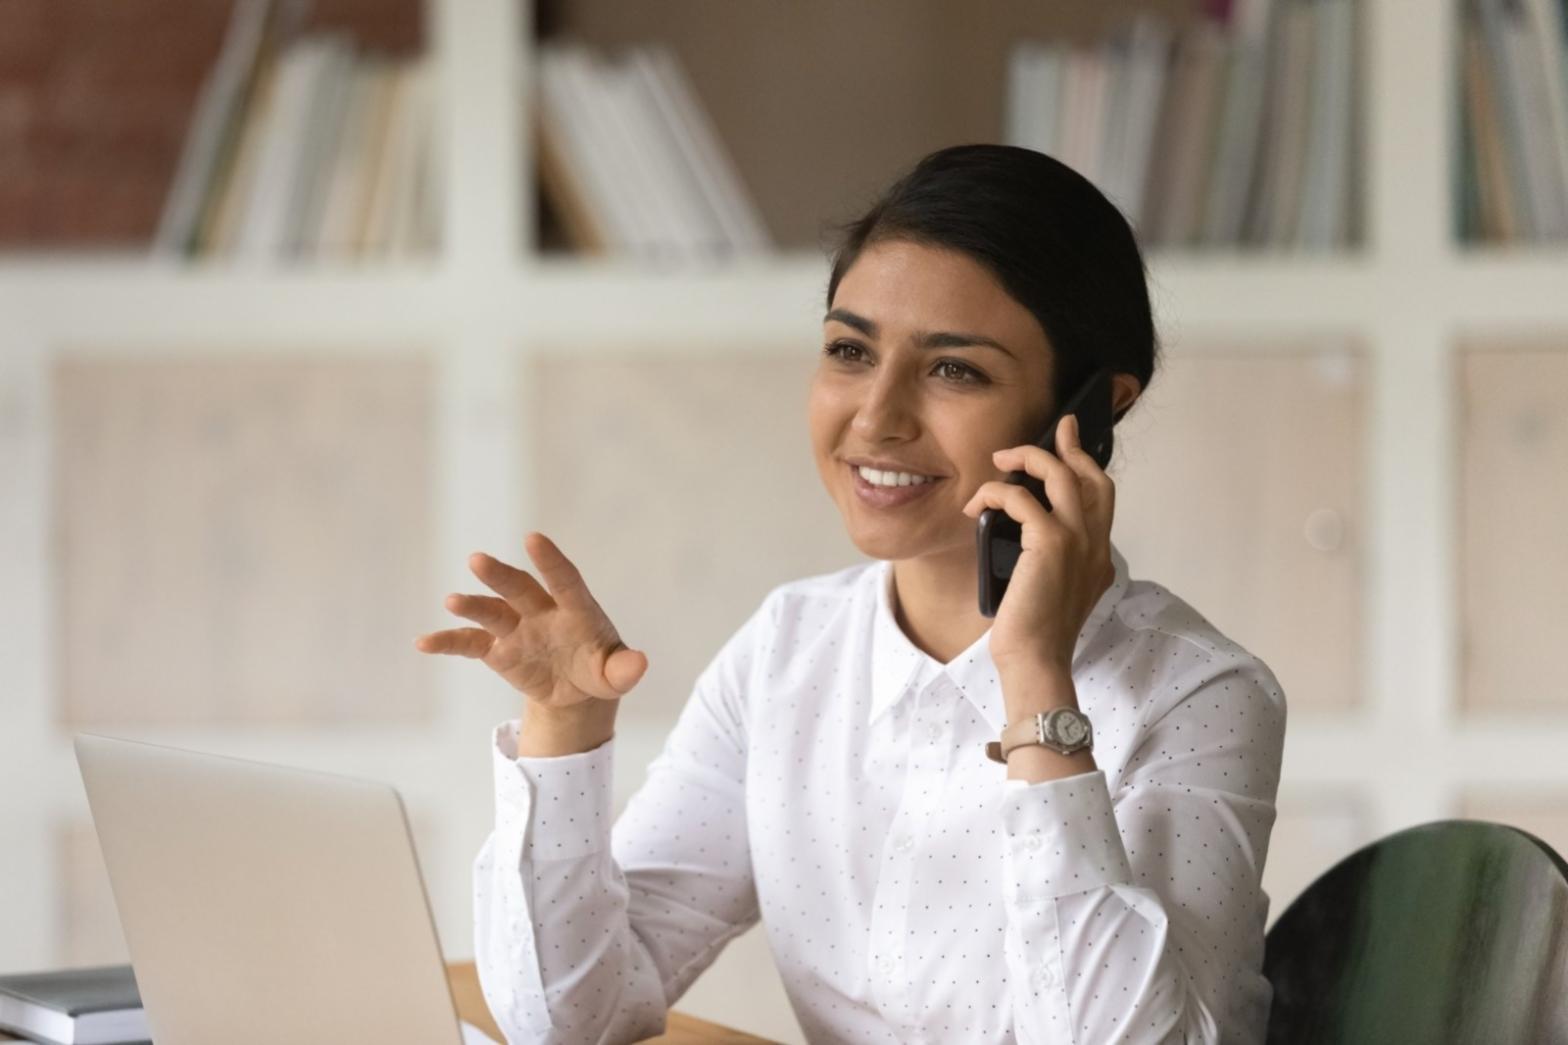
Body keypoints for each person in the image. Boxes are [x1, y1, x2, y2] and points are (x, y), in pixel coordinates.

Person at [414, 143, 1287, 1044]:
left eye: (956, 369)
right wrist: (564, 729)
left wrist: (1033, 678)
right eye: (849, 350)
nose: (876, 417)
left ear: (1093, 411)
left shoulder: (1200, 694)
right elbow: (566, 1020)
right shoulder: (791, 648)